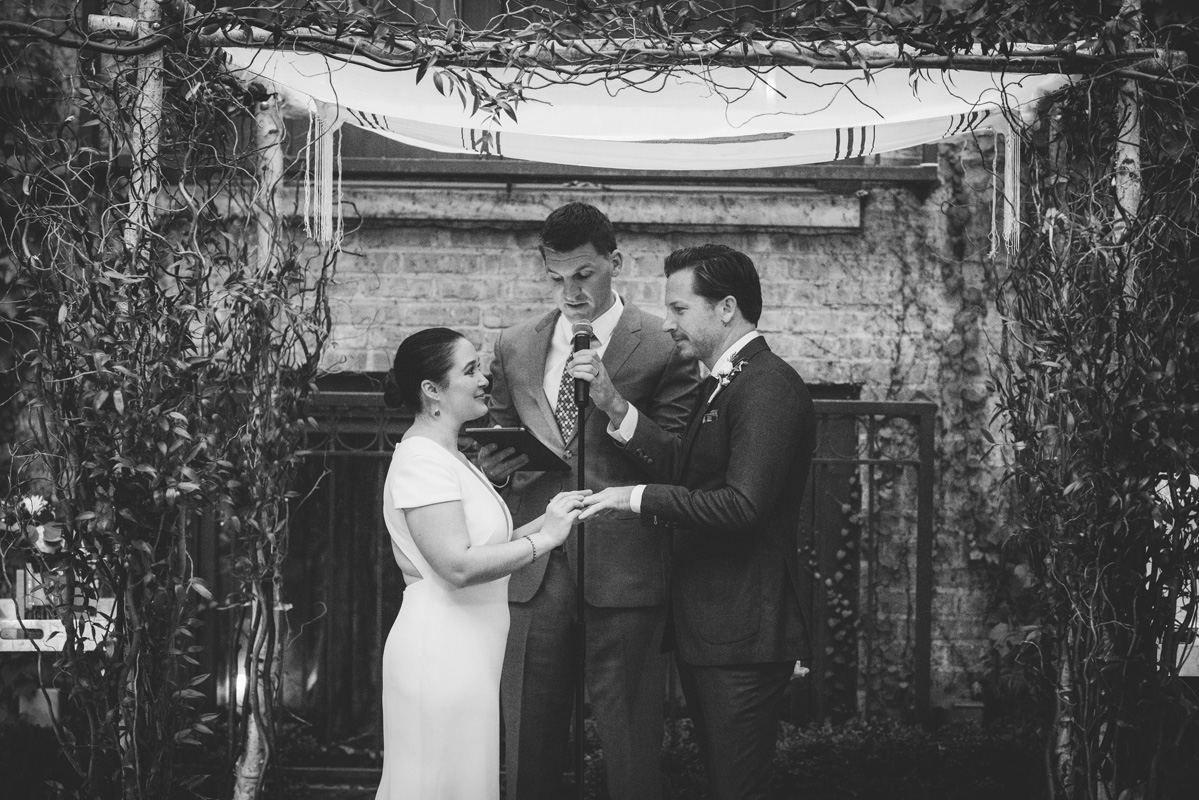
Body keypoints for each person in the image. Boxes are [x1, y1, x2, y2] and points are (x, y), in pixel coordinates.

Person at [479, 203, 702, 800]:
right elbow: (500, 444)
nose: (569, 292)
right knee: (526, 751)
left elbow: (683, 460)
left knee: (631, 754)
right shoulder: (514, 344)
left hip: (626, 575)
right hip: (535, 573)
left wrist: (613, 403)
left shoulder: (664, 345)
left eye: (582, 275)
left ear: (614, 263)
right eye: (555, 278)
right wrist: (493, 471)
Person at [578, 245, 817, 800]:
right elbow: (688, 472)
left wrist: (634, 498)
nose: (669, 324)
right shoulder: (722, 382)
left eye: (680, 309)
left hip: (743, 636)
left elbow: (741, 505)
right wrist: (615, 406)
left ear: (726, 308)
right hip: (716, 633)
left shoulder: (769, 386)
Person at [376, 327, 589, 800]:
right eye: (470, 371)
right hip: (440, 654)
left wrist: (551, 521)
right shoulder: (421, 462)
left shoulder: (452, 457)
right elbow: (457, 567)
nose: (483, 380)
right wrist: (545, 542)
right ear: (432, 390)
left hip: (470, 654)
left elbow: (492, 543)